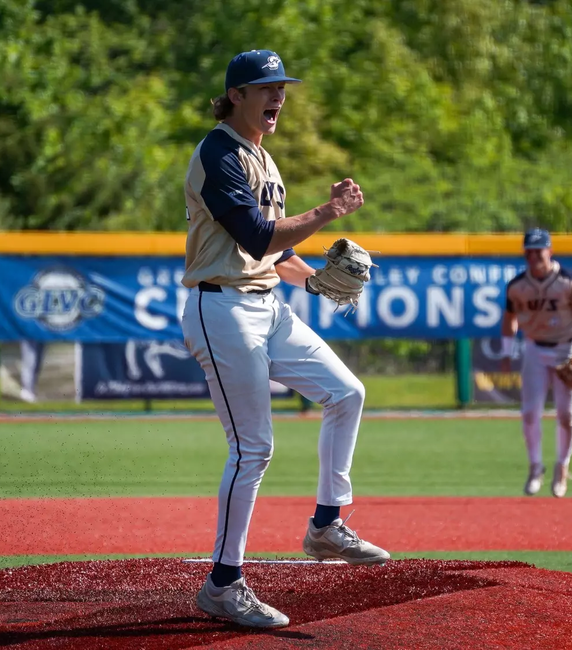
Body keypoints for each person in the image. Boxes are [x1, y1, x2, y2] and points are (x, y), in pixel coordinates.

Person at [180, 49, 389, 629]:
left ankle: (326, 524)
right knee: (253, 449)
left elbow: (280, 251)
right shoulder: (219, 153)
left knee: (347, 393)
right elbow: (253, 236)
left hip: (265, 307)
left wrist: (317, 283)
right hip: (221, 311)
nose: (277, 97)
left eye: (282, 88)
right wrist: (331, 209)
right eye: (266, 87)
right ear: (237, 95)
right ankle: (223, 584)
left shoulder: (263, 160)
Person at [500, 228, 572, 498]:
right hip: (534, 349)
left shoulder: (568, 281)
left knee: (566, 415)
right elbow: (510, 317)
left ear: (550, 251)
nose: (533, 257)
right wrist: (507, 351)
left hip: (567, 349)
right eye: (529, 252)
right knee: (530, 413)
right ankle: (535, 467)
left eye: (538, 251)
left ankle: (562, 467)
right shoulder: (517, 285)